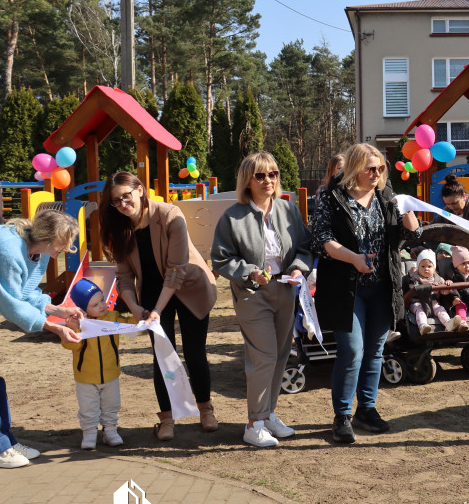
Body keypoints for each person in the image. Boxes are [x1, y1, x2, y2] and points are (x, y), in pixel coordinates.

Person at [313, 143, 421, 444]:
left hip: (382, 286)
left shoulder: (387, 197)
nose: (376, 174)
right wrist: (353, 258)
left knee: (375, 351)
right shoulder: (332, 197)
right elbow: (321, 239)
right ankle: (343, 415)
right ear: (354, 169)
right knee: (352, 351)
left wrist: (410, 217)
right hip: (346, 288)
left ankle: (367, 409)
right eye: (370, 168)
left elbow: (409, 235)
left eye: (380, 169)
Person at [100, 171, 219, 441]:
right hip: (152, 293)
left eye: (125, 197)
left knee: (194, 352)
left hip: (189, 286)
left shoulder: (169, 214)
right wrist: (134, 306)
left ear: (140, 190)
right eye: (115, 202)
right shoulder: (119, 229)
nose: (121, 205)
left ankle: (206, 410)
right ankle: (167, 418)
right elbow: (124, 277)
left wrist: (158, 310)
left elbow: (176, 271)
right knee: (162, 356)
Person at [211, 152, 313, 448]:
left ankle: (268, 415)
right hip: (252, 294)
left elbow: (305, 248)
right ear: (247, 180)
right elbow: (220, 259)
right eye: (260, 175)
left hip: (285, 289)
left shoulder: (288, 210)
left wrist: (297, 268)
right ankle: (253, 423)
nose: (268, 180)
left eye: (273, 174)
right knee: (263, 357)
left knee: (281, 355)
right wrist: (250, 272)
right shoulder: (232, 216)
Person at [0, 210, 84, 468]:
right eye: (63, 243)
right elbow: (11, 305)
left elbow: (26, 292)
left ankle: (2, 441)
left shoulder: (38, 252)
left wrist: (59, 310)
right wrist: (55, 328)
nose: (67, 249)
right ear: (47, 238)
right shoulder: (8, 250)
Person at [64, 279, 124, 449]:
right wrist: (73, 329)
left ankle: (110, 431)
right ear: (84, 309)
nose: (102, 306)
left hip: (111, 374)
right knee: (88, 408)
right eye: (95, 304)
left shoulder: (112, 317)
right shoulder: (80, 324)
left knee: (111, 404)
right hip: (86, 377)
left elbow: (129, 325)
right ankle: (89, 434)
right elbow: (70, 345)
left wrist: (143, 319)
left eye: (102, 300)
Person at [405, 249, 463, 334]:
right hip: (417, 303)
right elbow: (413, 288)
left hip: (433, 303)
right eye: (422, 266)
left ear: (434, 268)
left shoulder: (438, 278)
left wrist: (447, 285)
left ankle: (448, 323)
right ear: (418, 267)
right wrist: (429, 285)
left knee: (441, 309)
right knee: (420, 311)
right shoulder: (415, 278)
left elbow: (444, 292)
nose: (426, 269)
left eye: (429, 266)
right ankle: (423, 326)